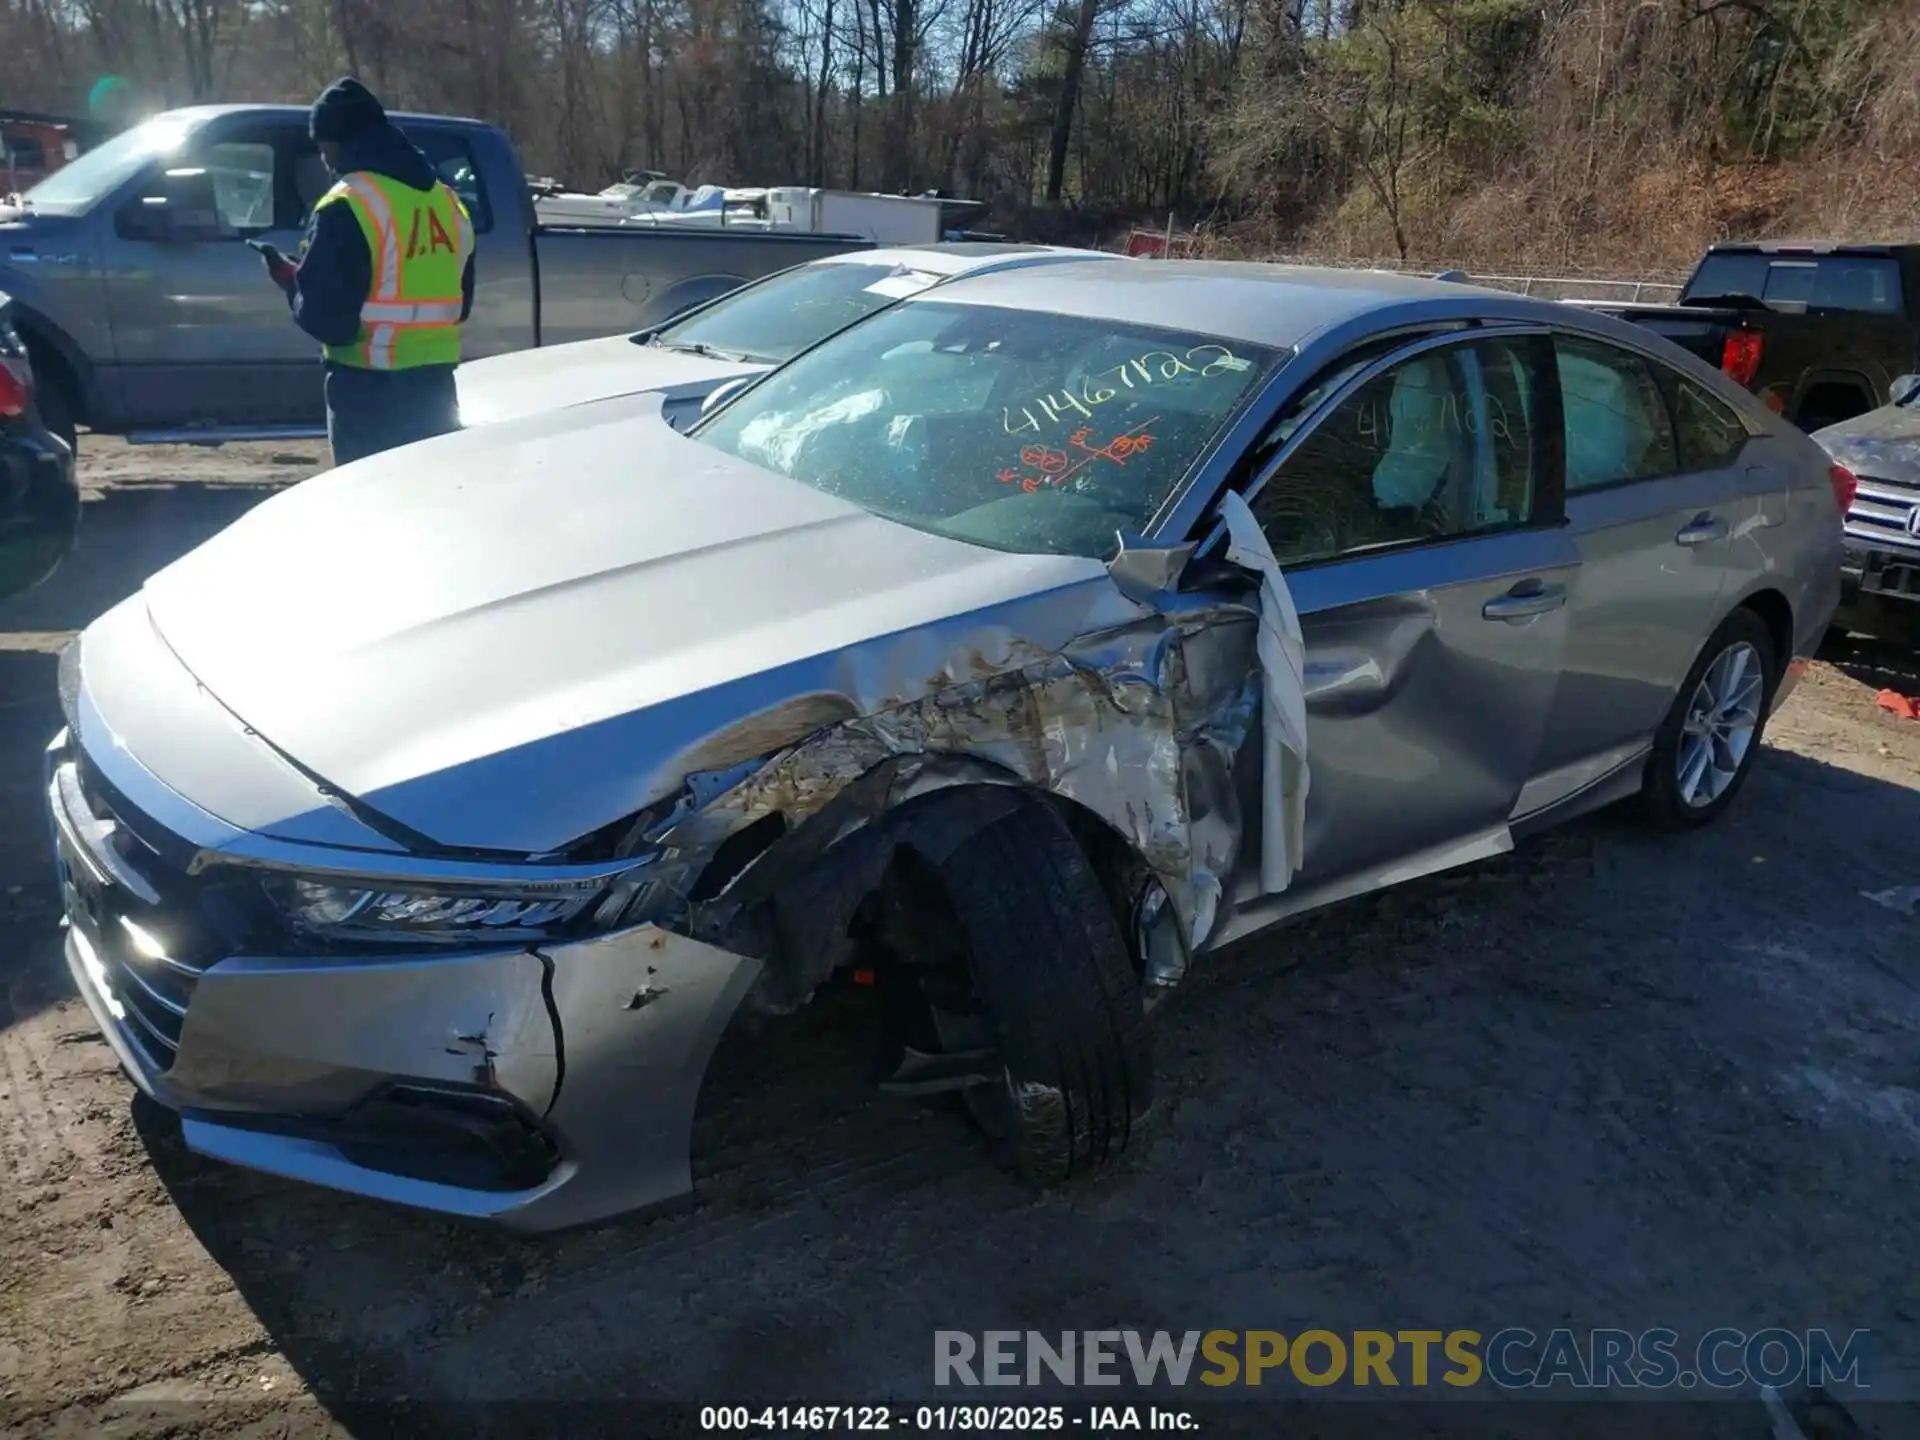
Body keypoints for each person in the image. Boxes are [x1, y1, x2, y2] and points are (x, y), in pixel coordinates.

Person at [257, 78, 476, 466]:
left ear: (335, 141)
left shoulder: (348, 204)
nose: (322, 156)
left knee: (376, 514)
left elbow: (329, 322)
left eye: (322, 144)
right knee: (432, 508)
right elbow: (459, 303)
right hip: (437, 390)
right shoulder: (447, 201)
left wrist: (292, 283)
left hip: (368, 395)